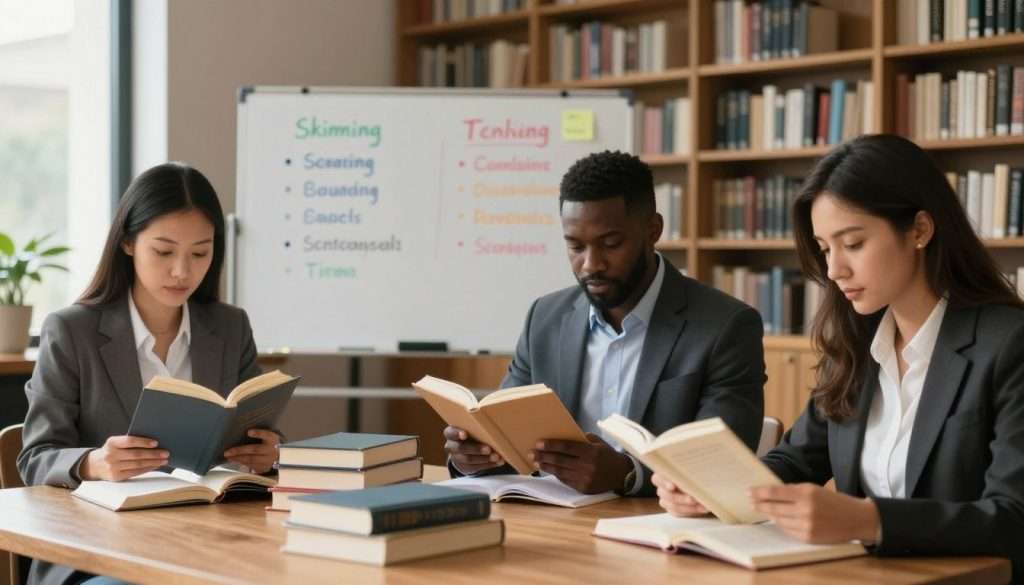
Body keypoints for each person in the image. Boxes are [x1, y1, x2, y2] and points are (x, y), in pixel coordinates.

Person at [653, 134, 1024, 580]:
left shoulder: (1008, 345)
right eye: (826, 249)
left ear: (920, 230)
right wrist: (715, 493)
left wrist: (869, 520)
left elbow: (1012, 519)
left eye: (853, 243)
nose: (834, 270)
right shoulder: (855, 346)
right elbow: (793, 463)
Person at [445, 150, 766, 495]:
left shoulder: (726, 327)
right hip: (552, 524)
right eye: (575, 246)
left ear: (653, 230)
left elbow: (720, 464)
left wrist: (628, 474)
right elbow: (508, 437)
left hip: (656, 527)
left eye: (610, 244)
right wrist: (475, 456)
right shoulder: (546, 318)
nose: (590, 264)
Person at [18, 162, 279, 585]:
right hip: (99, 552)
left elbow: (258, 433)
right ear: (127, 243)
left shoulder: (230, 328)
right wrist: (94, 463)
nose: (182, 271)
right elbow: (36, 457)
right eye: (163, 251)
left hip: (212, 543)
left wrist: (269, 453)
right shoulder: (72, 331)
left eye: (200, 253)